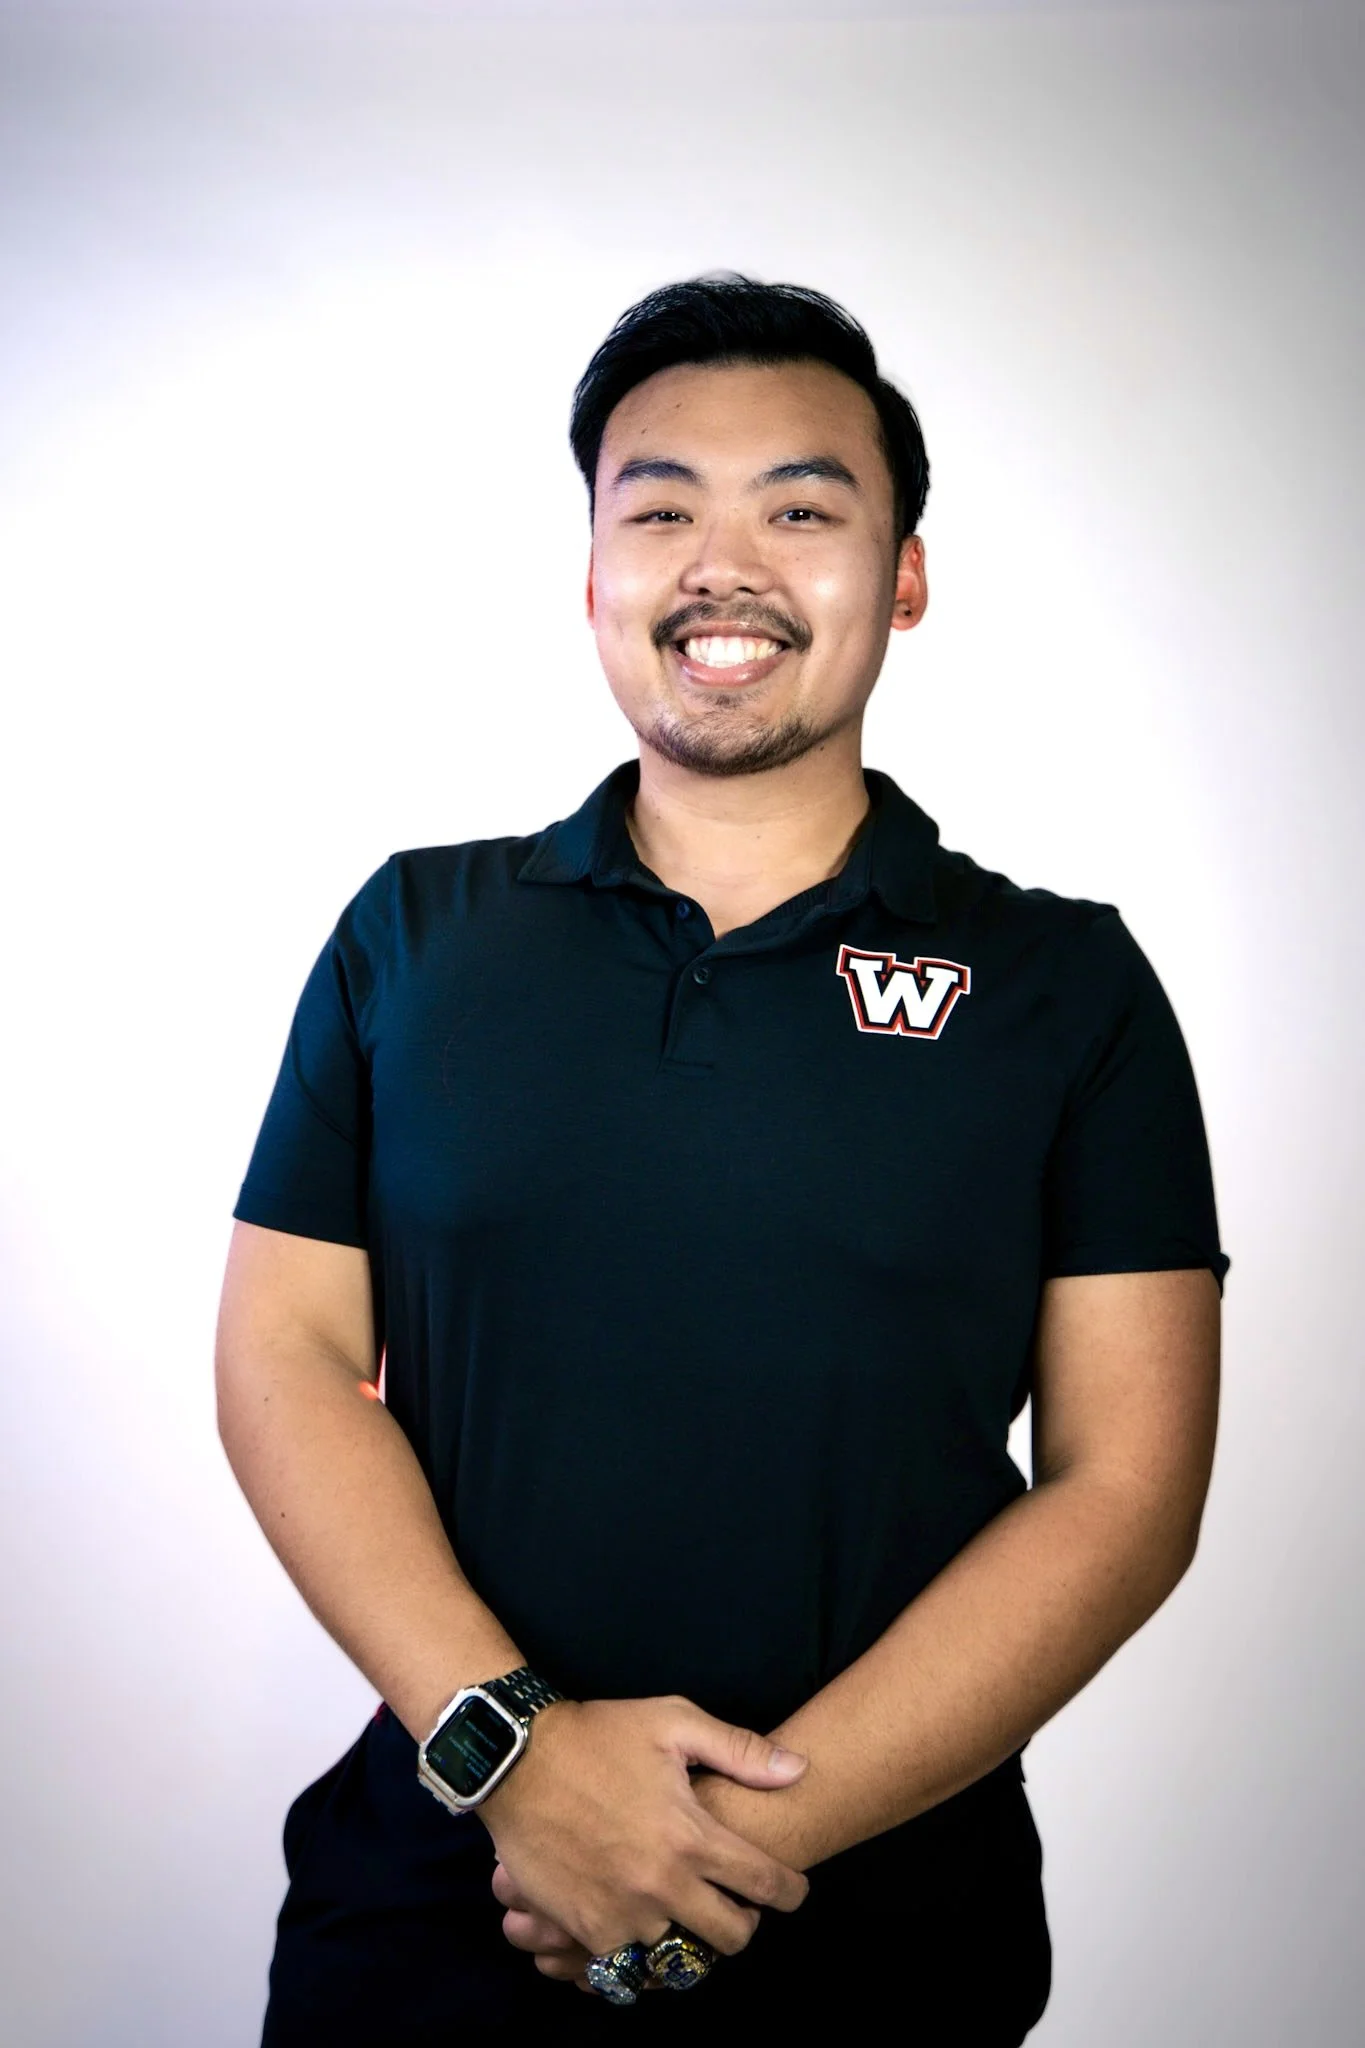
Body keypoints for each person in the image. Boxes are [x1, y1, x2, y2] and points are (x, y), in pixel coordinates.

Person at [216, 274, 1229, 2045]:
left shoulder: (1068, 988)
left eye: (802, 511)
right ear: (592, 573)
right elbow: (283, 1361)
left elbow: (1125, 1487)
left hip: (881, 1940)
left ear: (904, 577)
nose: (722, 566)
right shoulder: (415, 935)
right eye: (662, 509)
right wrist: (520, 1763)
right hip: (429, 1916)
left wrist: (705, 1854)